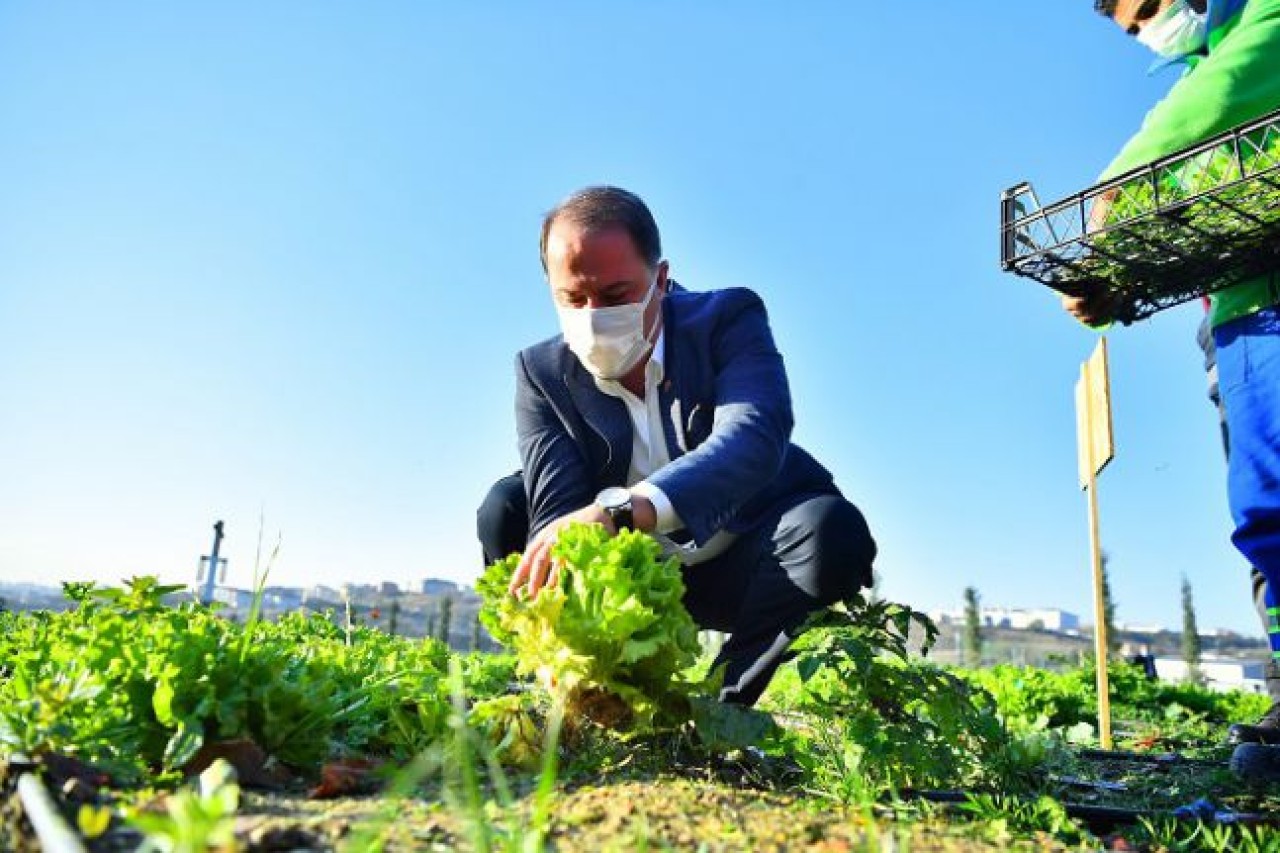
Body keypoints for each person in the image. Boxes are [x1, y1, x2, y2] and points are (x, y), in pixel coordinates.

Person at [477, 185, 877, 706]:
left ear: (661, 280)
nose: (593, 317)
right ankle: (576, 696)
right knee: (506, 508)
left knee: (828, 532)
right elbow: (556, 512)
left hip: (745, 563)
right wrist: (569, 646)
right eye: (573, 299)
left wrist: (622, 512)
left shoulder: (726, 320)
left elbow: (754, 434)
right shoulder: (541, 372)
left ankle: (722, 710)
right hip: (631, 584)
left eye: (616, 296)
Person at [1067, 0, 1280, 741]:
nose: (1151, 30)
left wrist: (1112, 188)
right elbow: (1190, 204)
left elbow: (1224, 94)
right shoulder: (1193, 74)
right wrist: (1114, 282)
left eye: (1153, 8)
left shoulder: (1264, 22)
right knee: (1264, 513)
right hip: (1237, 322)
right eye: (1134, 28)